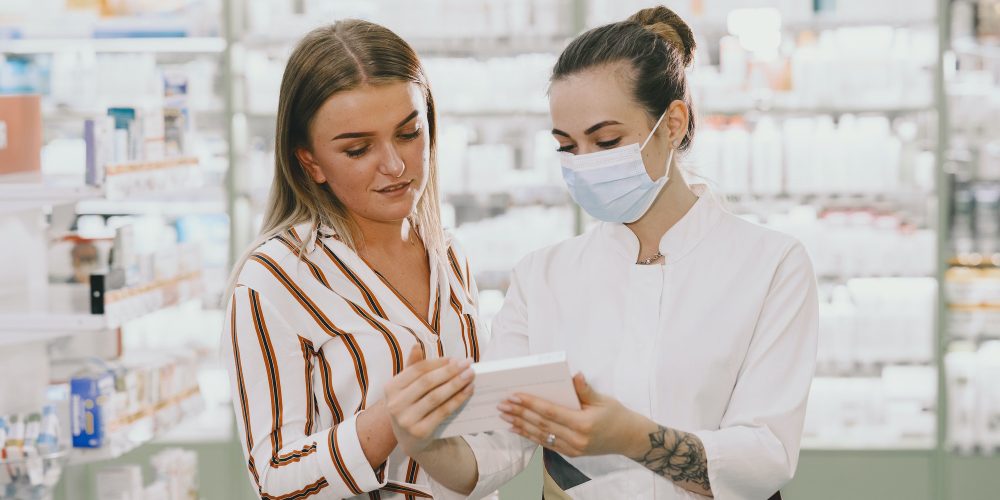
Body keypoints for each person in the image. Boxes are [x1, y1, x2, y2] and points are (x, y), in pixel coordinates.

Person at [386, 5, 819, 499]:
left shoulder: (770, 265)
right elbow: (496, 453)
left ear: (673, 122)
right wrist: (423, 441)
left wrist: (632, 437)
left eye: (607, 140)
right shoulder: (542, 277)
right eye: (567, 147)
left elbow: (766, 457)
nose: (586, 165)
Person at [221, 20, 483, 499]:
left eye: (409, 133)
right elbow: (276, 478)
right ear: (310, 162)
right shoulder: (276, 279)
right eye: (358, 149)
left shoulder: (449, 254)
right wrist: (387, 422)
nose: (395, 165)